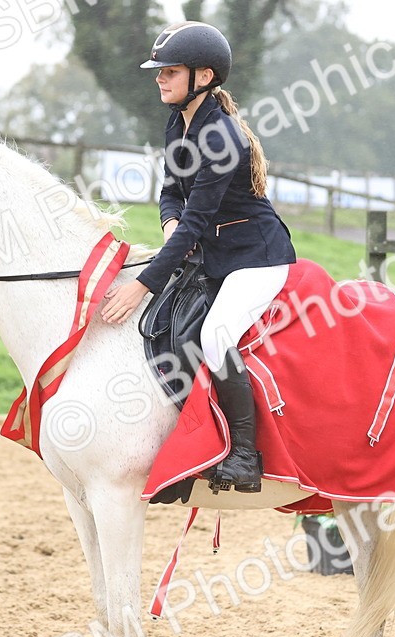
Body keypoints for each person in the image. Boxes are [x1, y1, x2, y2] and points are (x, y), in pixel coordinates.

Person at [102, 20, 296, 494]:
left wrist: (141, 283)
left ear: (203, 77)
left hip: (255, 257)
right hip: (210, 251)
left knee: (214, 335)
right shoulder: (177, 121)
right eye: (159, 70)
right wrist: (170, 229)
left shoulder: (223, 137)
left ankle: (246, 457)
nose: (159, 78)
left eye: (169, 70)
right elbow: (172, 194)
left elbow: (198, 217)